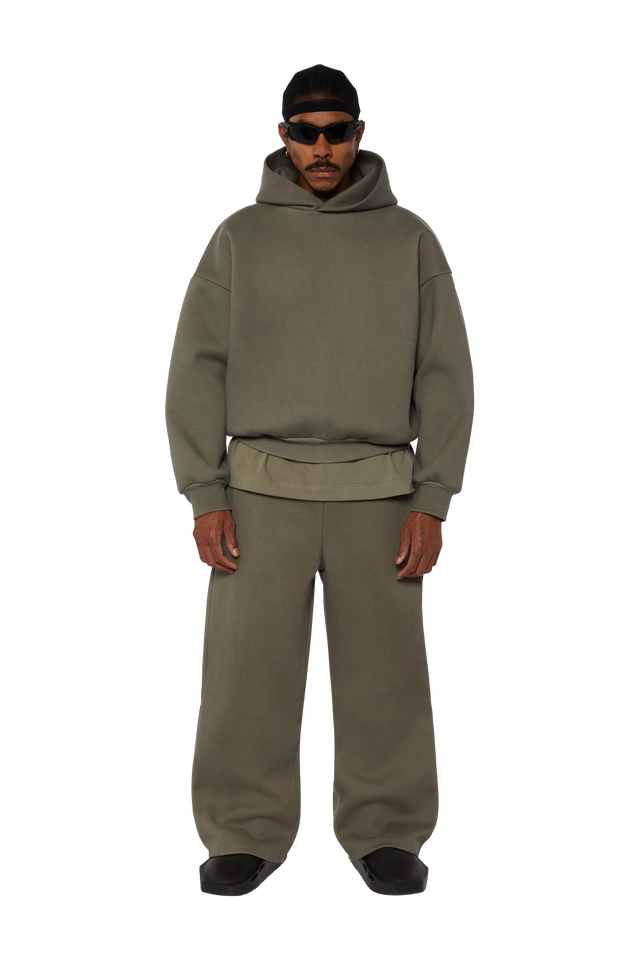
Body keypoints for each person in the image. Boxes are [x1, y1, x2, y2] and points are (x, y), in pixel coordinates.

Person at [163, 62, 476, 899]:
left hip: (381, 493)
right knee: (244, 671)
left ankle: (387, 831)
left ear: (361, 135)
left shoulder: (411, 239)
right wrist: (205, 493)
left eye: (338, 131)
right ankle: (242, 829)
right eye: (307, 132)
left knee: (387, 675)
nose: (323, 147)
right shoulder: (239, 237)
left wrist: (433, 499)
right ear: (283, 136)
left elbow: (447, 376)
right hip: (258, 491)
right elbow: (195, 370)